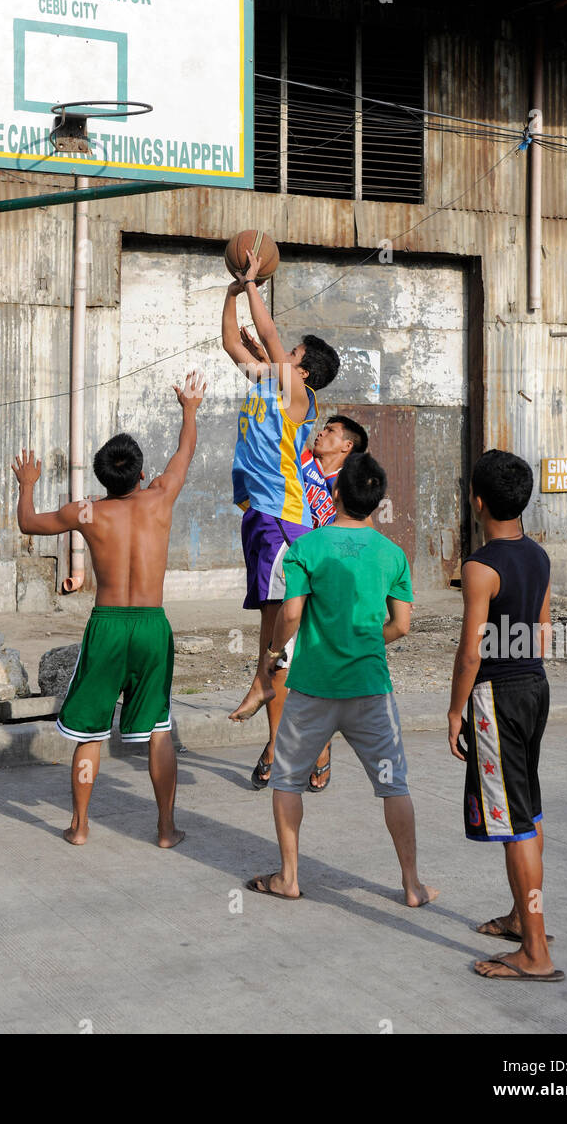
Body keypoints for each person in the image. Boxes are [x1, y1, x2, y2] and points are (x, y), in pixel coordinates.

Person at [11, 372, 205, 850]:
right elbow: (185, 454)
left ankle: (79, 826)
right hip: (152, 625)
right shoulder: (161, 497)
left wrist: (27, 483)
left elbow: (29, 523)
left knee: (91, 731)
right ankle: (165, 829)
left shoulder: (88, 513)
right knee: (160, 729)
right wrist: (189, 408)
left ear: (103, 477)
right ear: (140, 473)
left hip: (108, 625)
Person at [246, 451, 438, 907]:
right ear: (377, 500)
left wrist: (273, 655)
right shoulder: (393, 554)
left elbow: (290, 614)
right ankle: (411, 885)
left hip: (312, 689)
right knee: (394, 785)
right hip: (370, 690)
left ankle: (288, 878)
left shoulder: (306, 548)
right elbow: (402, 626)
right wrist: (365, 642)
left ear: (334, 492)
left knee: (288, 781)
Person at [221, 247, 340, 794]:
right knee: (280, 639)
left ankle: (265, 700)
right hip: (260, 516)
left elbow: (267, 337)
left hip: (283, 520)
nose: (280, 349)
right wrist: (231, 293)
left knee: (276, 636)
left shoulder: (299, 393)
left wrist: (252, 283)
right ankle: (283, 718)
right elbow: (233, 342)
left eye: (290, 351)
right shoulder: (269, 381)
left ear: (305, 367)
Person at [447, 449, 564, 981]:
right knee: (529, 809)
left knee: (514, 821)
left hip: (496, 694)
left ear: (477, 501)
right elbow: (542, 628)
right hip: (534, 684)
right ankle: (522, 918)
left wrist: (455, 710)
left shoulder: (479, 566)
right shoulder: (538, 556)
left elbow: (471, 651)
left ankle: (535, 953)